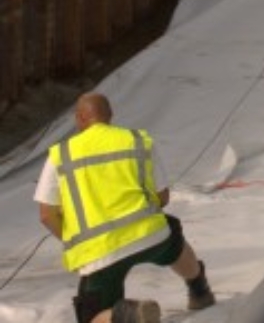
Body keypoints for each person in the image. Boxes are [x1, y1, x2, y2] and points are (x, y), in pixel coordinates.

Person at [35, 93, 216, 323]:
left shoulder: (60, 155)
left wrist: (73, 240)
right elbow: (162, 196)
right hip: (149, 236)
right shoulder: (137, 141)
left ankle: (128, 315)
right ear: (110, 116)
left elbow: (46, 215)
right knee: (171, 234)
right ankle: (199, 289)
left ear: (79, 119)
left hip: (100, 254)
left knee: (90, 317)